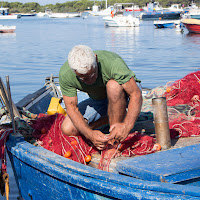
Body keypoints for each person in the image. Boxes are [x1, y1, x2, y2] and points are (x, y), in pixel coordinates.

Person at [59, 45, 142, 150]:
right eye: (82, 78)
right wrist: (90, 134)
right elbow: (72, 108)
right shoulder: (65, 74)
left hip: (125, 93)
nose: (89, 80)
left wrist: (127, 125)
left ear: (96, 59)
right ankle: (111, 117)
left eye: (92, 74)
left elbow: (135, 94)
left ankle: (114, 139)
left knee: (113, 86)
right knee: (68, 129)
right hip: (100, 99)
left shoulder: (113, 63)